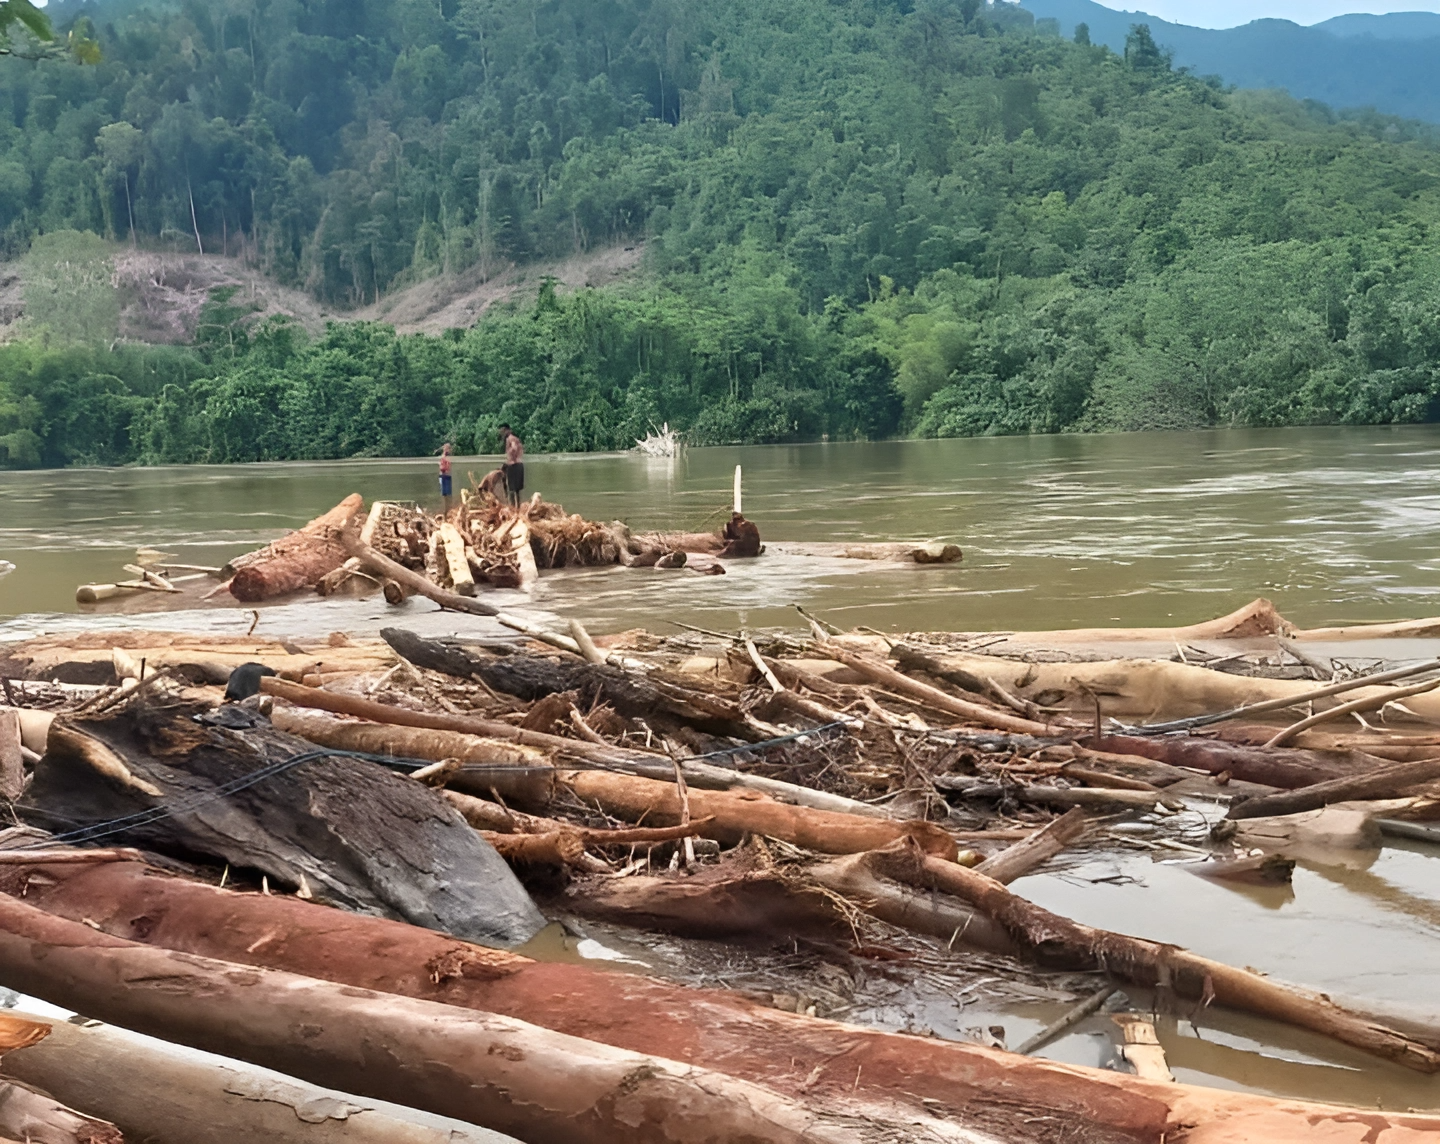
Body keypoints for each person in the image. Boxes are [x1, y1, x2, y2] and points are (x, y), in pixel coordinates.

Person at [499, 423, 525, 507]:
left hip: (513, 465)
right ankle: (518, 508)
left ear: (508, 430)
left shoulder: (510, 439)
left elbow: (514, 448)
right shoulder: (516, 439)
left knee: (511, 490)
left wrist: (511, 460)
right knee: (516, 490)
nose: (502, 433)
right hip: (519, 464)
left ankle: (513, 508)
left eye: (503, 431)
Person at [438, 442, 454, 516]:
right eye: (448, 448)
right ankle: (445, 513)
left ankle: (448, 511)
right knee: (444, 495)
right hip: (443, 477)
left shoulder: (448, 458)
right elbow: (442, 468)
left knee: (448, 495)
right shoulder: (443, 457)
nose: (449, 450)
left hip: (447, 476)